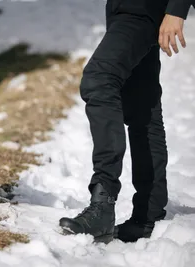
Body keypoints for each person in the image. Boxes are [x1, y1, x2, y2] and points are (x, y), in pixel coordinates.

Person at [59, 0, 194, 243]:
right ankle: (148, 215)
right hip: (124, 9)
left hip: (143, 9)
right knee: (143, 107)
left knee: (99, 79)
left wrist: (176, 9)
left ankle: (103, 202)